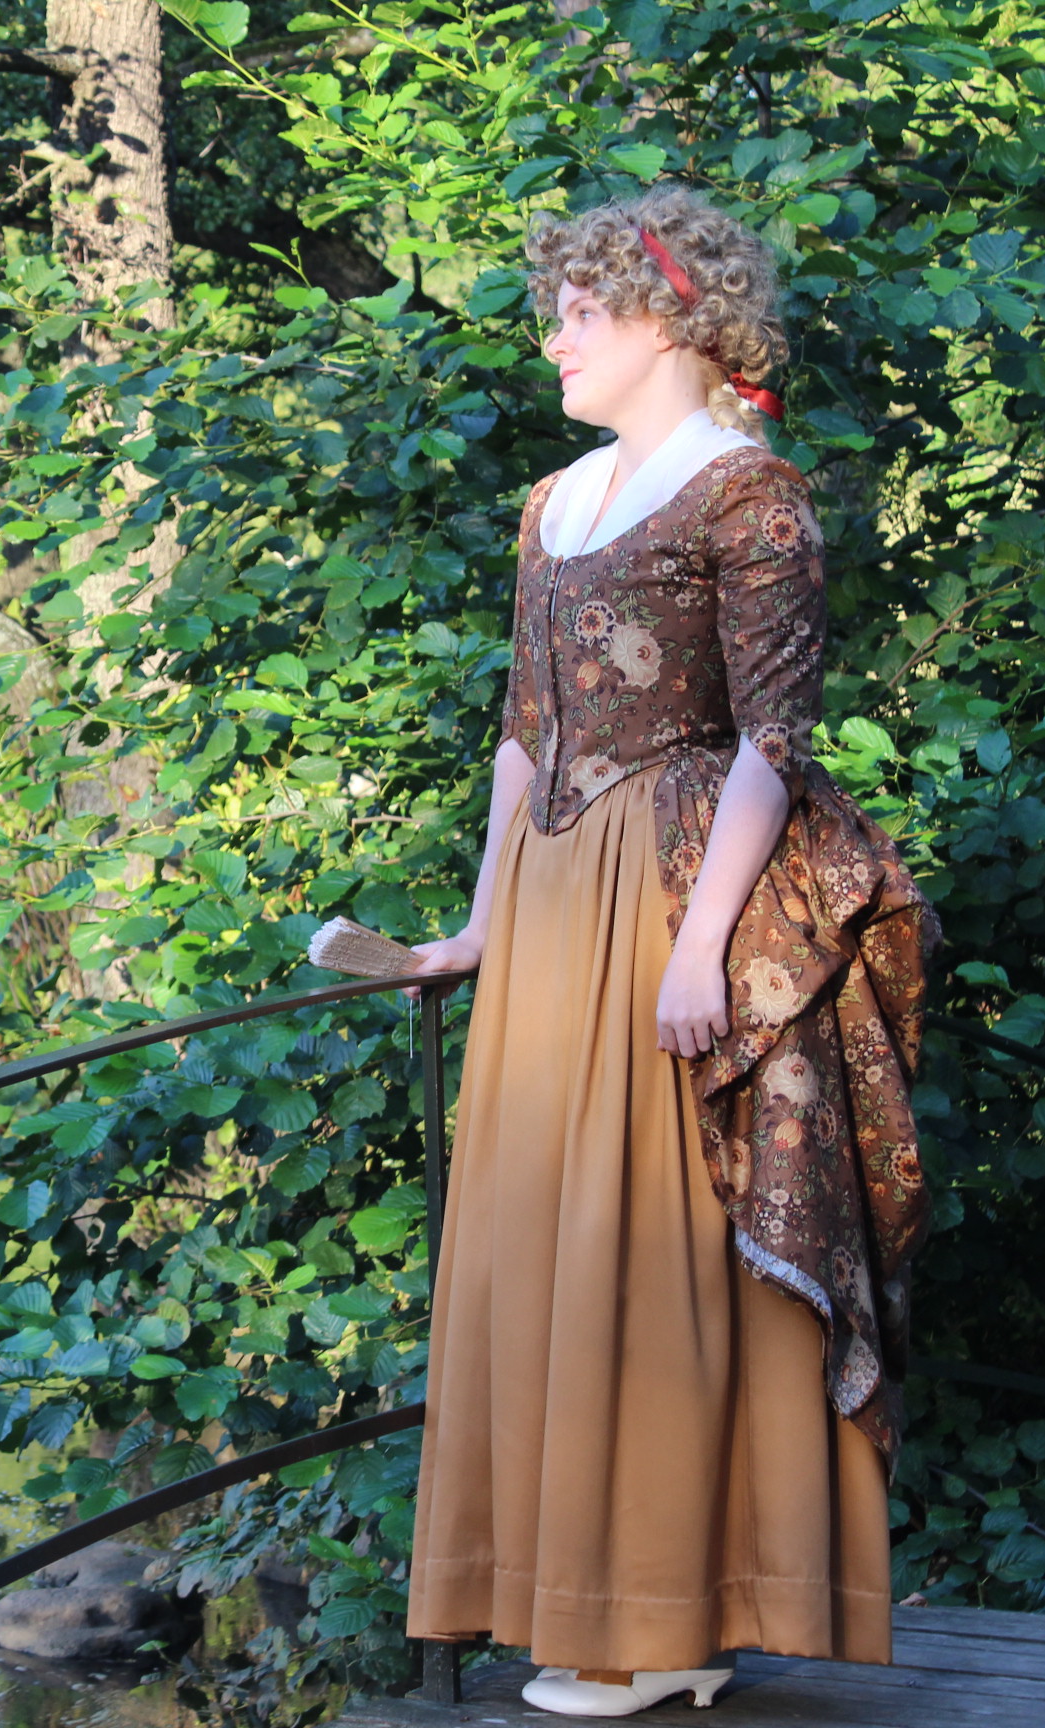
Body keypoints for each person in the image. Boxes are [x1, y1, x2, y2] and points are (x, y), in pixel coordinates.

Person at [396, 185, 940, 1718]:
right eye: (557, 312)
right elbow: (523, 737)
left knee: (649, 1246)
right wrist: (482, 921)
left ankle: (665, 1622)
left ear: (671, 316)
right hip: (555, 901)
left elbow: (772, 743)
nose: (554, 339)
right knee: (544, 1239)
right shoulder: (555, 502)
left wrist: (701, 950)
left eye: (581, 311)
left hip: (674, 885)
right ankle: (580, 1608)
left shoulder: (748, 495)